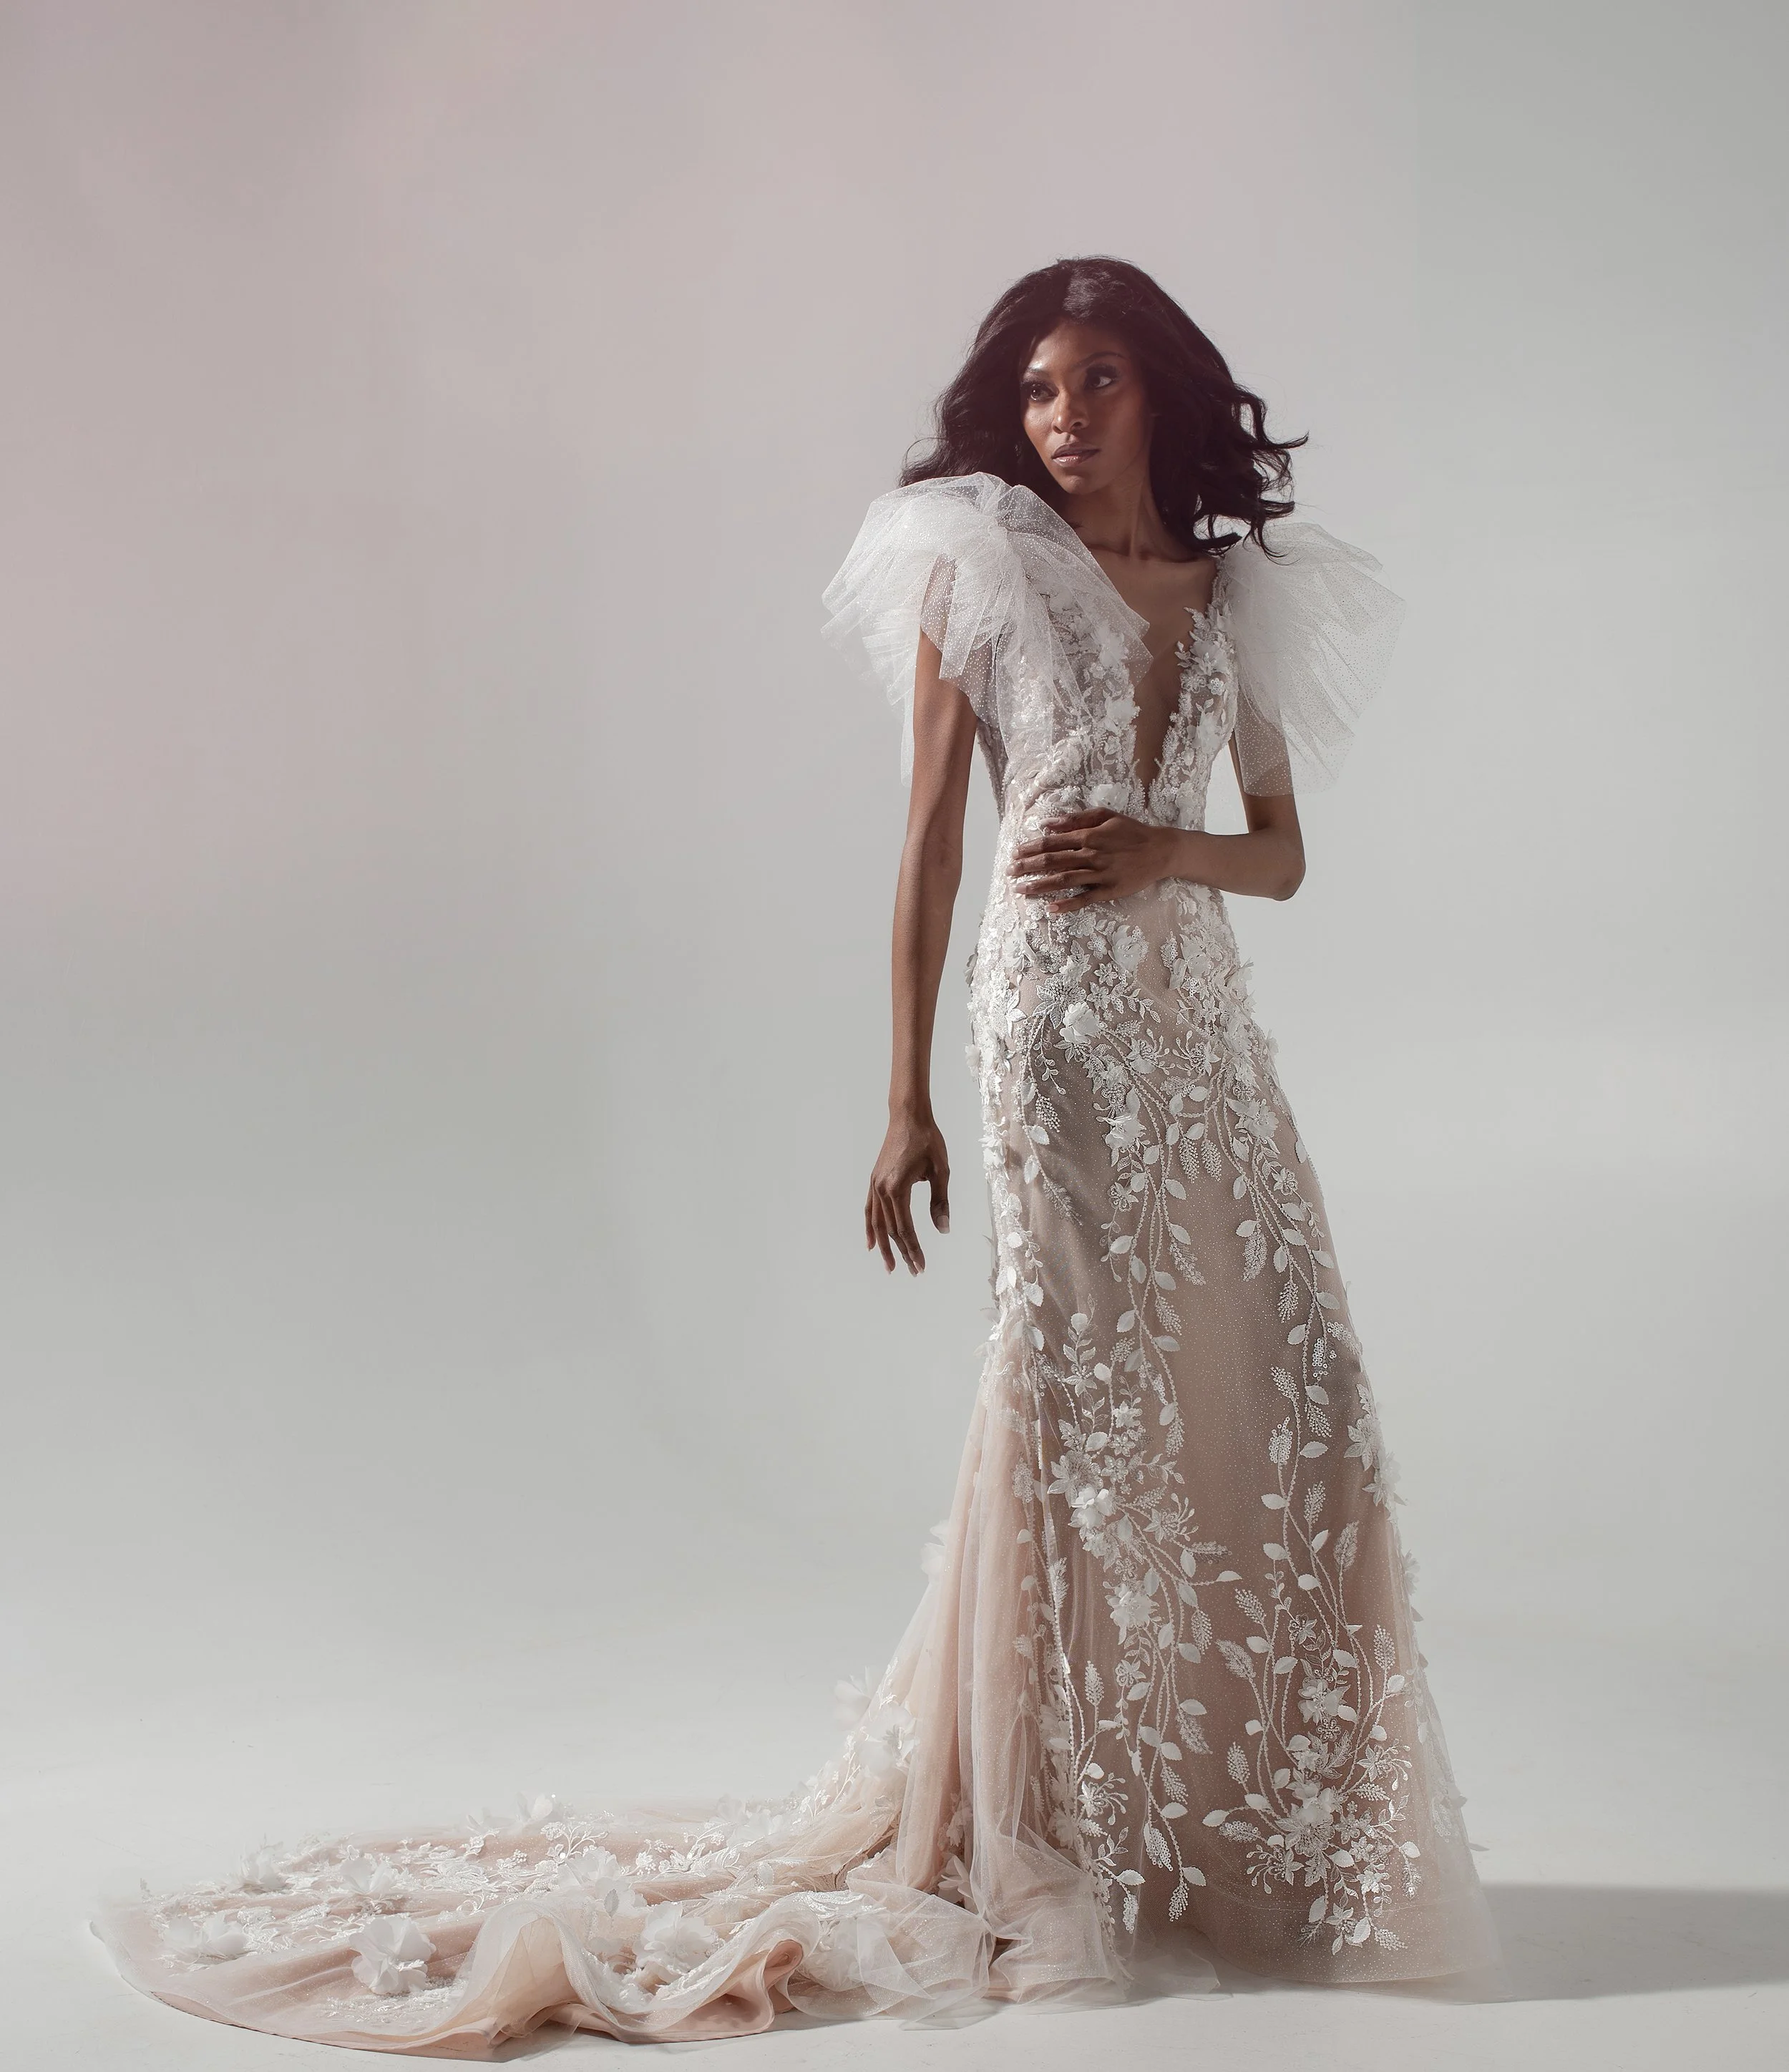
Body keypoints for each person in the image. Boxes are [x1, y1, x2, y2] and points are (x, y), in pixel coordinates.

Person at [94, 256, 1503, 2052]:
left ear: (1160, 386)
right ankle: (1046, 1838)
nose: (1063, 419)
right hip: (1053, 1024)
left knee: (1287, 1378)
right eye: (1039, 389)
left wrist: (1164, 853)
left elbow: (1279, 852)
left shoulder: (1236, 590)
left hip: (1199, 1028)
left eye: (1096, 381)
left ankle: (1247, 1836)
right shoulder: (976, 568)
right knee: (1078, 1393)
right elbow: (928, 842)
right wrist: (902, 1098)